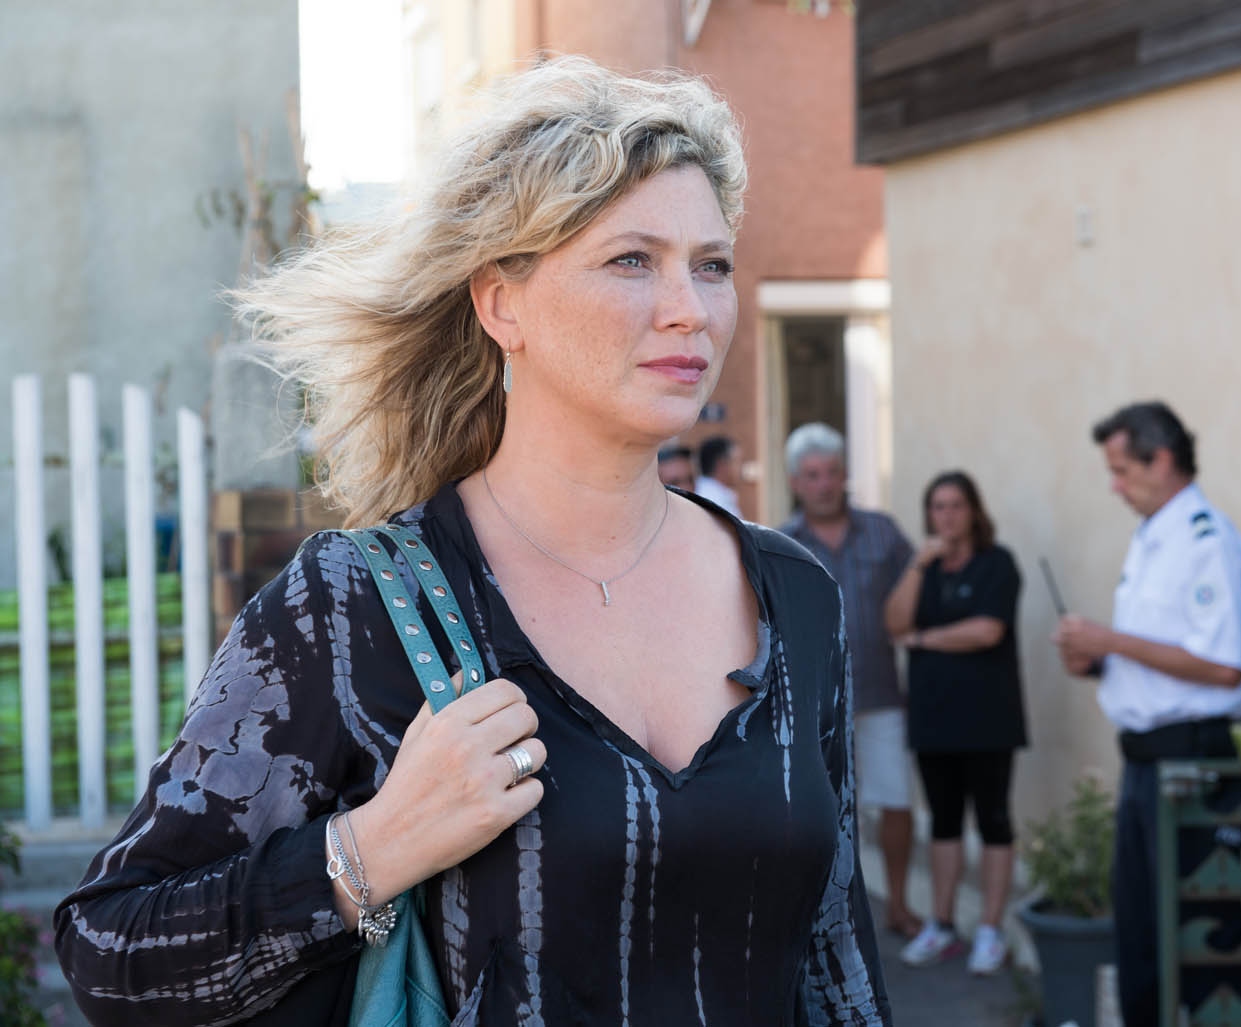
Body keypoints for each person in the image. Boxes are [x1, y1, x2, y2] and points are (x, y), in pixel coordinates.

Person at [54, 56, 890, 1026]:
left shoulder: (795, 591)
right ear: (501, 302)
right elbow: (109, 951)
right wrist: (370, 851)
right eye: (632, 260)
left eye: (712, 264)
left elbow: (837, 962)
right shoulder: (357, 604)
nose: (690, 309)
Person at [1053, 400, 1241, 1027]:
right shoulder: (1153, 538)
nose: (1114, 487)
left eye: (1122, 471)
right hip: (1146, 762)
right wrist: (1097, 660)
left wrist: (1111, 641)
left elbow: (1222, 666)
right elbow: (1160, 657)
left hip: (1191, 761)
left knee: (1206, 932)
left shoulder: (1205, 541)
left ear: (1161, 460)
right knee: (1141, 937)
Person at [779, 422, 921, 941]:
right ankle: (830, 913)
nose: (823, 484)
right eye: (812, 475)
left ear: (845, 476)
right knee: (827, 812)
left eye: (831, 473)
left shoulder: (884, 532)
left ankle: (898, 904)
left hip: (881, 693)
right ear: (796, 482)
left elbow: (922, 589)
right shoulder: (779, 543)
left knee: (896, 800)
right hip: (816, 701)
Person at [883, 471, 1025, 975]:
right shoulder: (923, 569)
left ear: (973, 511)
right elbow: (895, 623)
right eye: (937, 506)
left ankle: (990, 930)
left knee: (993, 821)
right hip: (934, 716)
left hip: (989, 717)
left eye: (955, 505)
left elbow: (987, 631)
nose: (946, 515)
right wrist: (918, 565)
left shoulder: (997, 563)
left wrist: (924, 640)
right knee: (943, 822)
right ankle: (941, 924)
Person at [694, 434, 742, 516]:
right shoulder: (712, 499)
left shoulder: (716, 494)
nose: (740, 467)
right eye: (736, 461)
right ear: (722, 463)